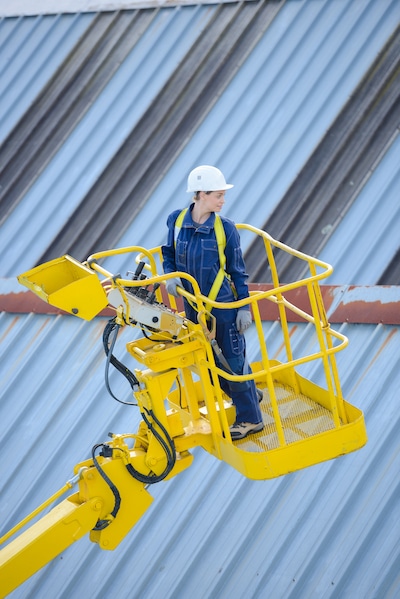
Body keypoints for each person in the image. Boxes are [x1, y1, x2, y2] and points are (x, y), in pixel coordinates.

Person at [161, 165, 263, 440]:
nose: (223, 200)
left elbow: (238, 272)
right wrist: (170, 275)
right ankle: (249, 395)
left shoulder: (225, 229)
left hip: (223, 307)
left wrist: (243, 307)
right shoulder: (177, 220)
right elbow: (168, 252)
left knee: (233, 361)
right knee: (209, 361)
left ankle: (251, 418)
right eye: (218, 194)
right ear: (201, 195)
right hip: (194, 306)